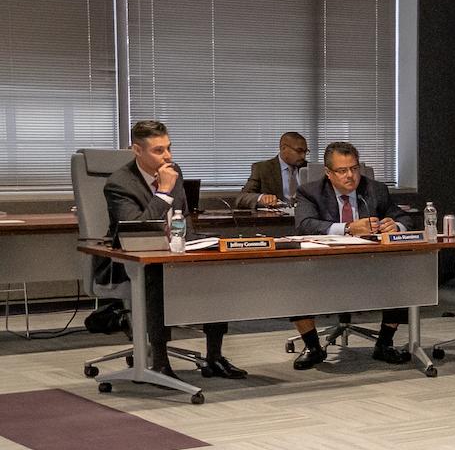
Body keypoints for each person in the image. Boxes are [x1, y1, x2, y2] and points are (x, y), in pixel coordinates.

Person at [99, 120, 240, 379]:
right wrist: (163, 192)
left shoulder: (174, 171)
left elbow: (182, 217)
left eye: (169, 148)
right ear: (137, 150)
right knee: (156, 274)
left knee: (218, 268)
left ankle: (215, 357)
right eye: (159, 150)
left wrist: (195, 247)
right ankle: (160, 362)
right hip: (129, 261)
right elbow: (138, 231)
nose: (168, 156)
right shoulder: (119, 183)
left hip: (175, 250)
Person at [289, 142, 413, 367]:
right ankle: (313, 347)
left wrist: (395, 225)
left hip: (370, 264)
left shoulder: (375, 190)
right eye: (342, 170)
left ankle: (384, 344)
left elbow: (405, 219)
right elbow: (305, 225)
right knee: (295, 279)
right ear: (328, 173)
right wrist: (347, 228)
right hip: (323, 266)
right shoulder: (310, 192)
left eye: (355, 169)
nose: (350, 176)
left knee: (402, 274)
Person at [236, 131, 309, 209]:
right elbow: (241, 198)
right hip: (277, 218)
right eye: (299, 151)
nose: (303, 156)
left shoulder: (309, 168)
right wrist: (261, 198)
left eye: (305, 152)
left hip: (307, 217)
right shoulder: (263, 169)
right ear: (283, 148)